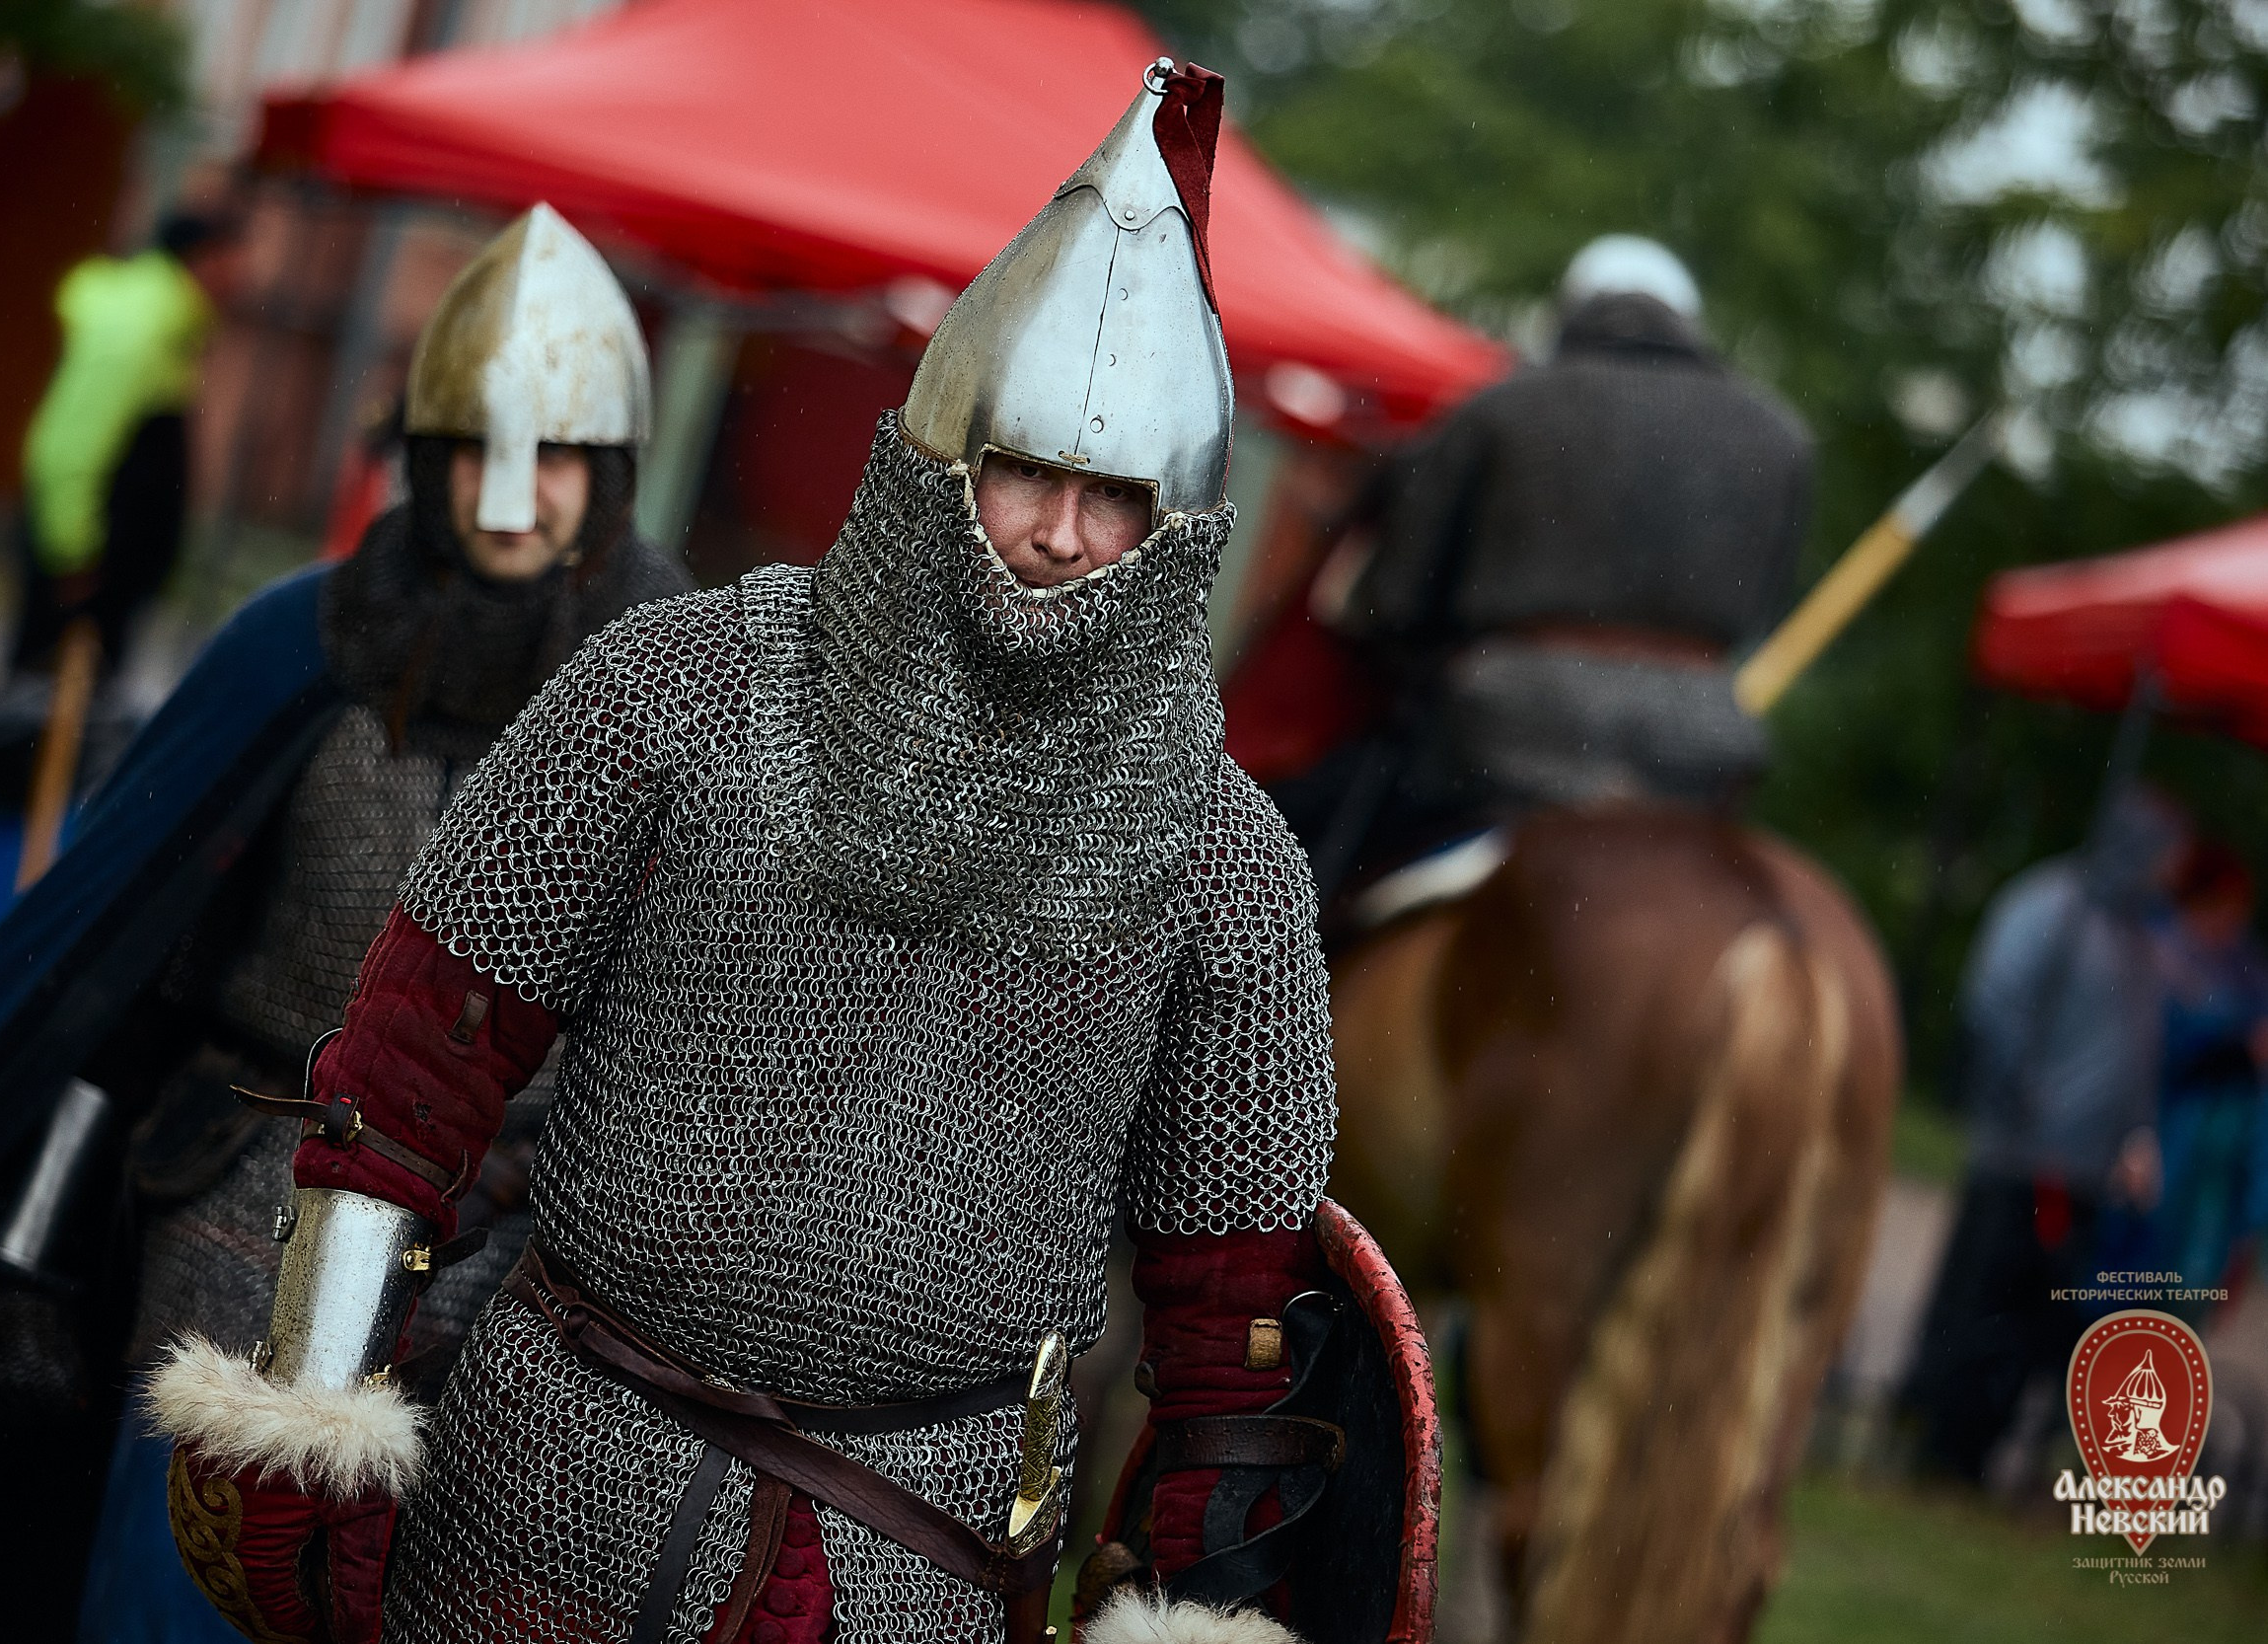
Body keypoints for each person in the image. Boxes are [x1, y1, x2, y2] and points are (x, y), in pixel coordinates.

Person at [150, 63, 1337, 1644]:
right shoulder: (678, 688)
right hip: (550, 1467)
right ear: (938, 462)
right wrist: (314, 1402)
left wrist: (1194, 1602)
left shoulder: (1226, 861)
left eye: (1110, 496)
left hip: (917, 1546)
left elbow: (1233, 1318)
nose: (1057, 531)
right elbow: (410, 1073)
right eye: (1024, 472)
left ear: (1175, 529)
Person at [0, 203, 687, 1639]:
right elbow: (116, 978)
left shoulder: (675, 689)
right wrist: (23, 1247)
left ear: (618, 470)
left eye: (559, 457)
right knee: (175, 1579)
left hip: (526, 1231)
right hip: (250, 1171)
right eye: (479, 449)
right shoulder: (307, 643)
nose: (515, 495)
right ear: (424, 454)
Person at [1284, 234, 1813, 896]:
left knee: (1290, 871)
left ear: (1573, 309)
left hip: (1500, 739)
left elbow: (1394, 601)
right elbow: (1762, 610)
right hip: (1699, 758)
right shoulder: (1780, 436)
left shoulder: (1500, 409)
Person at [1900, 788, 2184, 1485]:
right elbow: (1994, 1005)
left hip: (2089, 1169)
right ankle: (1942, 1453)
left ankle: (1988, 1451)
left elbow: (2139, 1051)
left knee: (2038, 1319)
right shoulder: (2049, 909)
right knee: (1983, 1305)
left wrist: (2138, 1135)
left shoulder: (2139, 940)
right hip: (2024, 1156)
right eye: (2167, 852)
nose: (2172, 870)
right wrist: (2022, 1105)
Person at [10, 208, 249, 684]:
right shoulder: (142, 326)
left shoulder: (171, 322)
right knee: (44, 712)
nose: (240, 278)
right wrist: (73, 551)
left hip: (103, 562)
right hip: (87, 565)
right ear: (203, 259)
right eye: (233, 260)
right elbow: (70, 445)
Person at [2141, 841, 2268, 1314]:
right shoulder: (2157, 947)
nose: (2234, 919)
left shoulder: (2247, 969)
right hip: (2162, 1144)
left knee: (2189, 1291)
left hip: (2215, 1172)